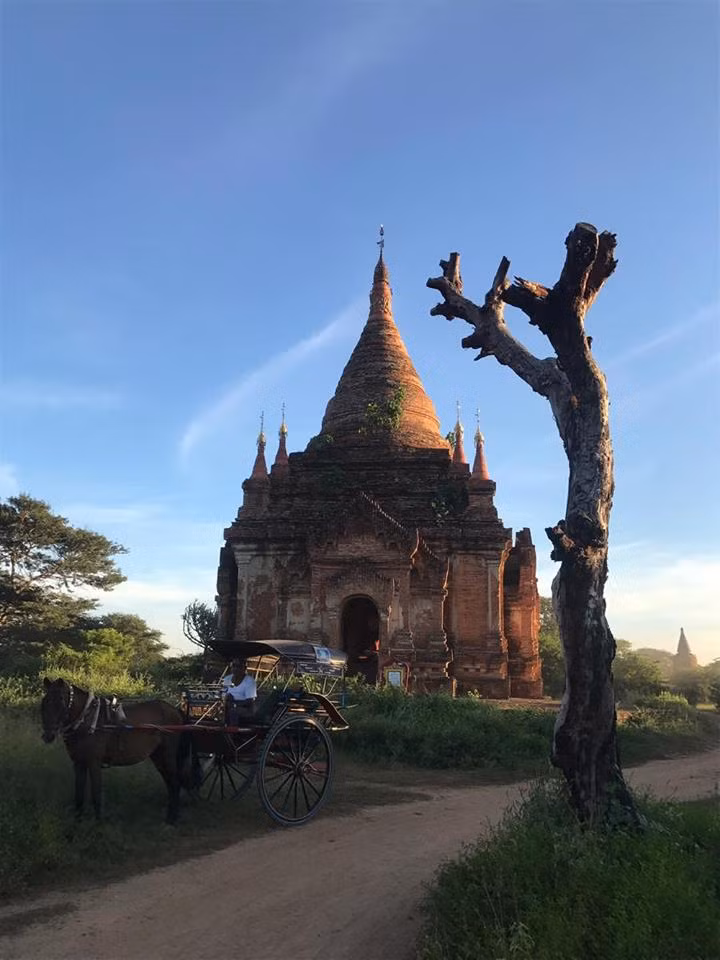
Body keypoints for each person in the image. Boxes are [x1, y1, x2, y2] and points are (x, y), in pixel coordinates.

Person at [221, 657, 257, 723]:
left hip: (245, 708)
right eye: (234, 666)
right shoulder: (227, 679)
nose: (235, 669)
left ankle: (231, 731)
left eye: (239, 666)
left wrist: (233, 703)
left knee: (233, 711)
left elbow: (250, 701)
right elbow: (222, 694)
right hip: (226, 705)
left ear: (244, 668)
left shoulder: (249, 681)